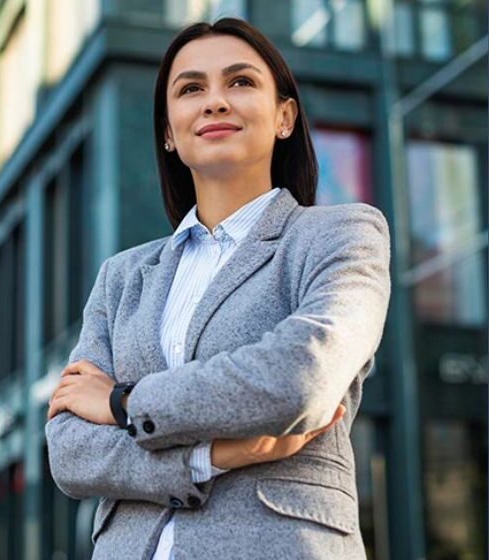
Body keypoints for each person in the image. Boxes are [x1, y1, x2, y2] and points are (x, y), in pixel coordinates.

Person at [45, 17, 390, 560]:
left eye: (240, 82)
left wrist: (120, 401)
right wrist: (213, 456)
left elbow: (299, 377)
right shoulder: (122, 277)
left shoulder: (339, 235)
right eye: (190, 89)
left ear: (284, 117)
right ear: (167, 129)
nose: (214, 102)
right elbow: (69, 452)